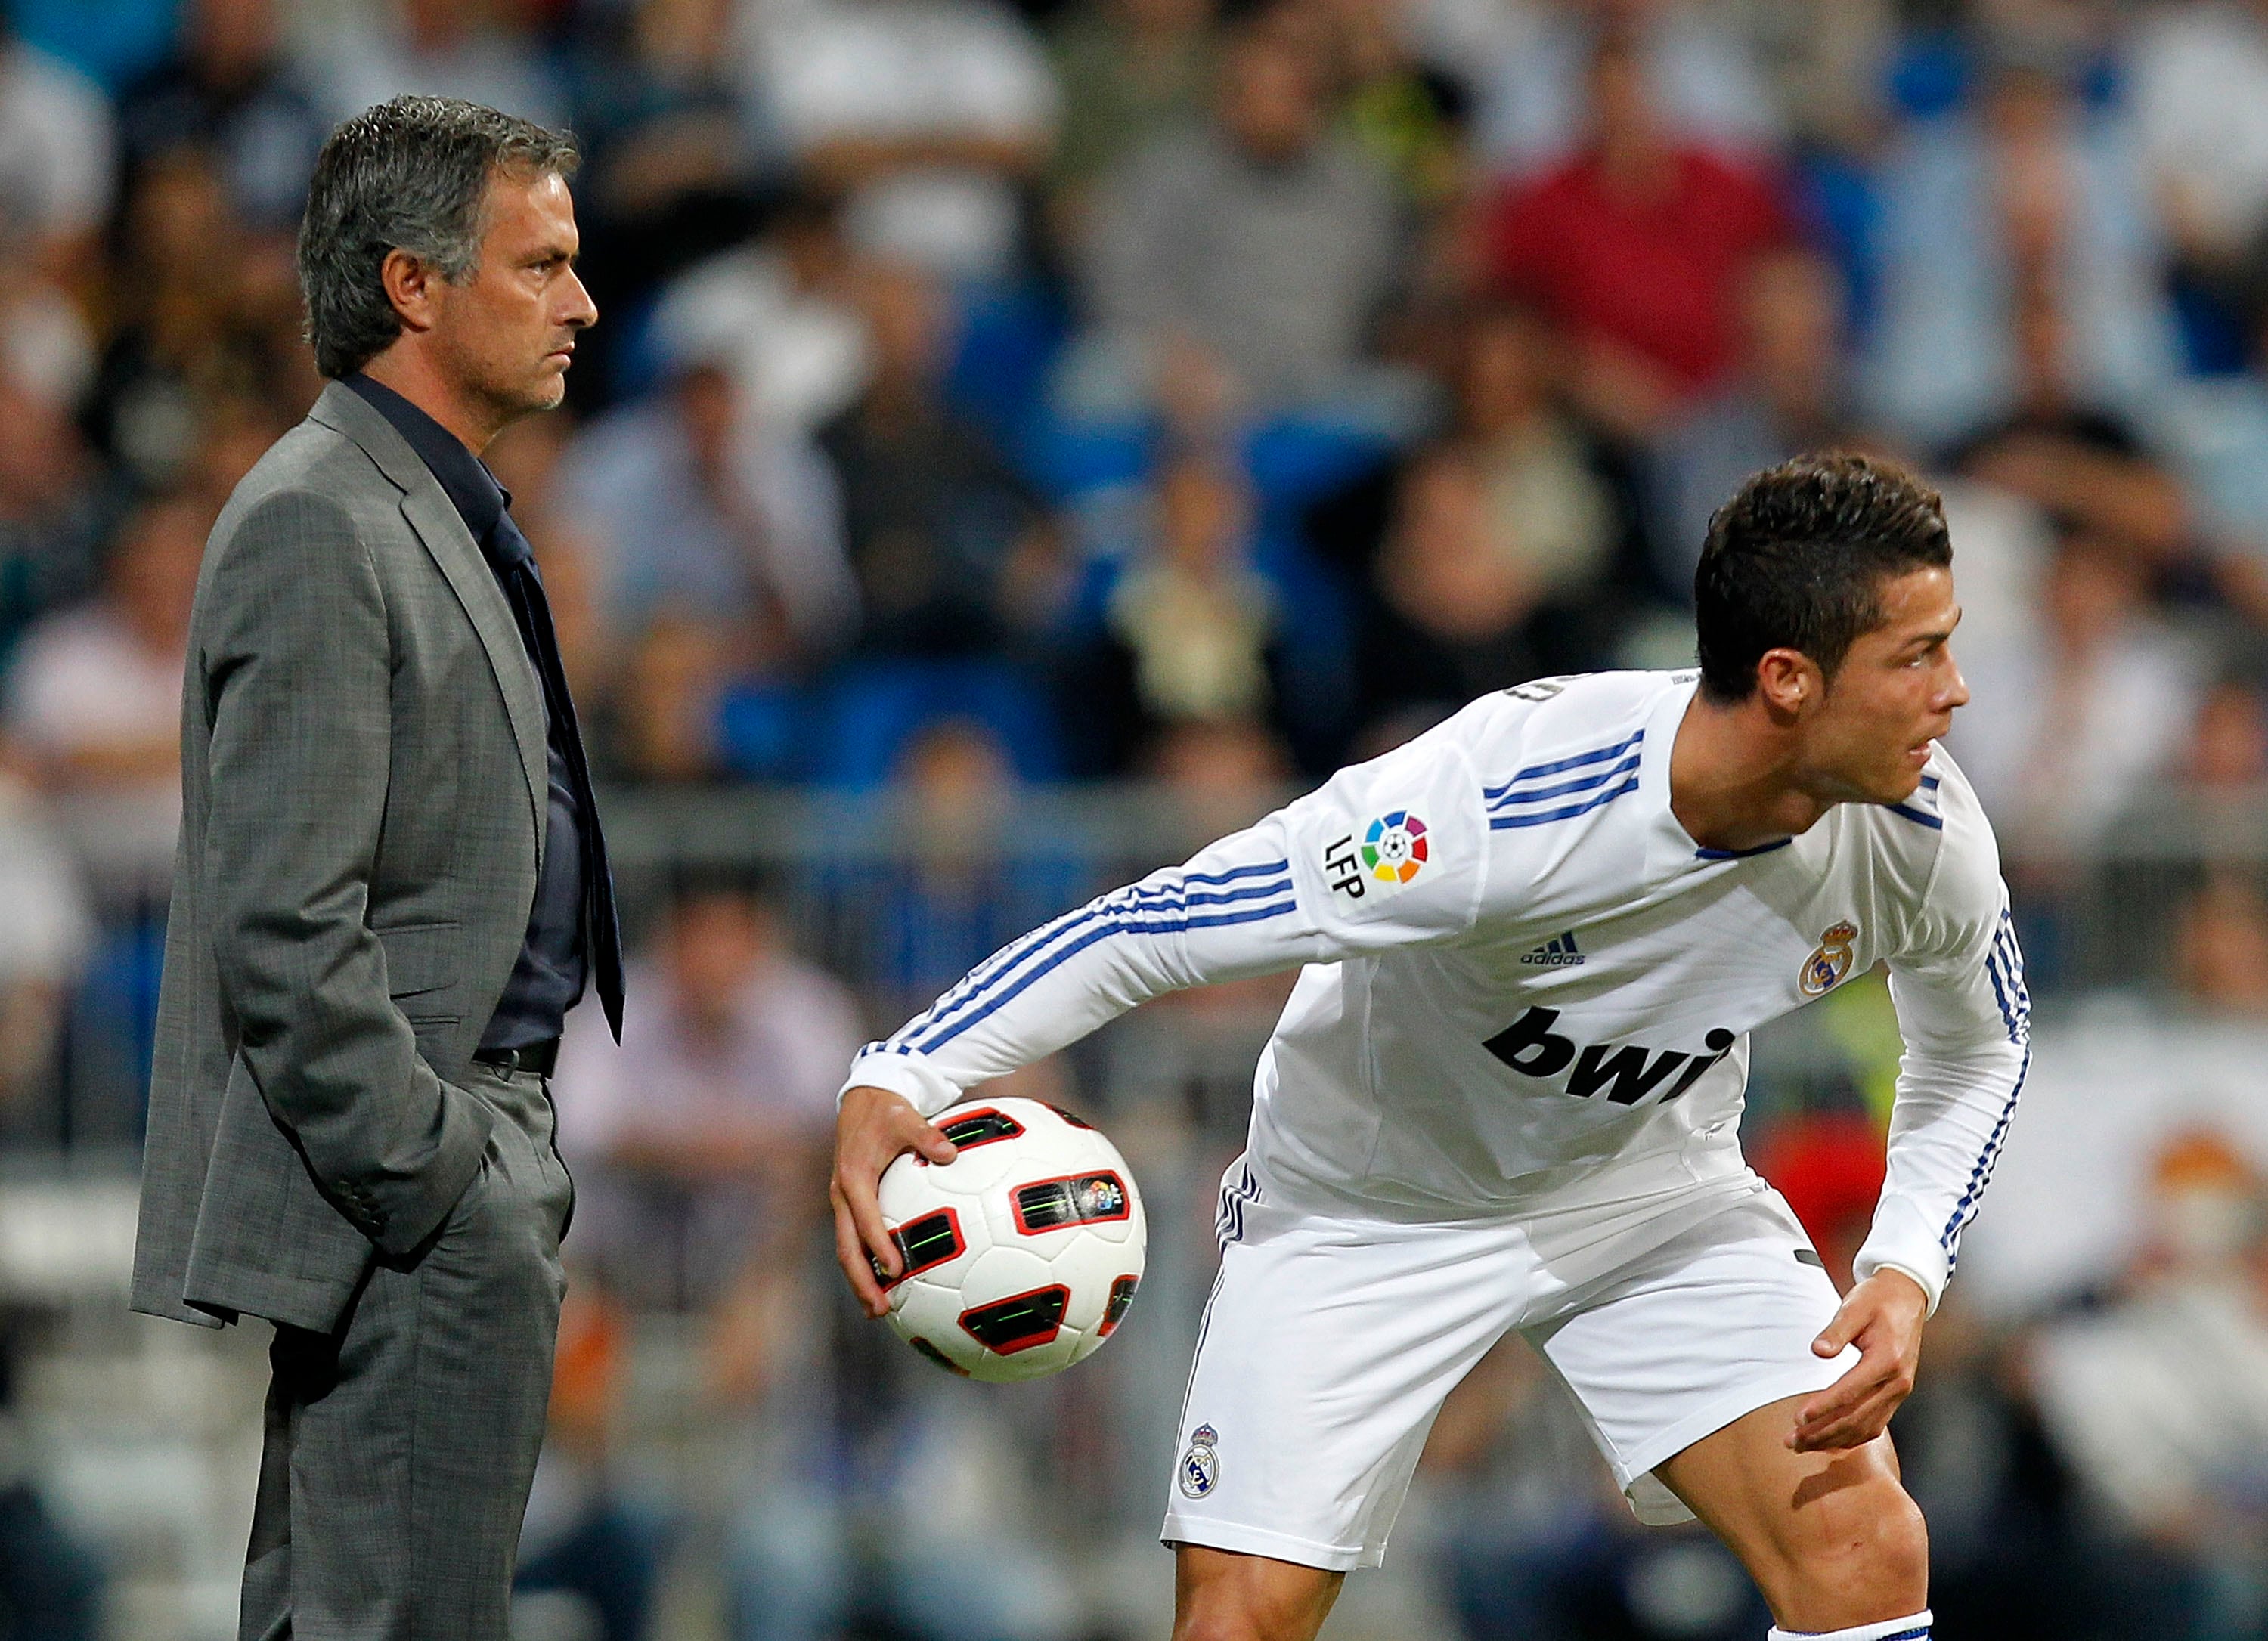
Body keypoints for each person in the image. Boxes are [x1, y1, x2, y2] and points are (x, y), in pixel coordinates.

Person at [834, 452, 2025, 1641]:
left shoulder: (1923, 830)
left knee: (1865, 1546)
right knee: (1238, 1621)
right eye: (1917, 656)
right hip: (1366, 1207)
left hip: (1650, 1196)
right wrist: (907, 1067)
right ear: (1787, 682)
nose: (1956, 691)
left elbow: (1978, 1049)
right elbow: (1168, 926)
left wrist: (1907, 1263)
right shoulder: (1496, 802)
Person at [129, 96, 623, 1640]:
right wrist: (442, 1177)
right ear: (413, 285)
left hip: (464, 1149)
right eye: (540, 265)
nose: (583, 303)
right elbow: (284, 929)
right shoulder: (319, 521)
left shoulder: (415, 507)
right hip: (415, 1181)